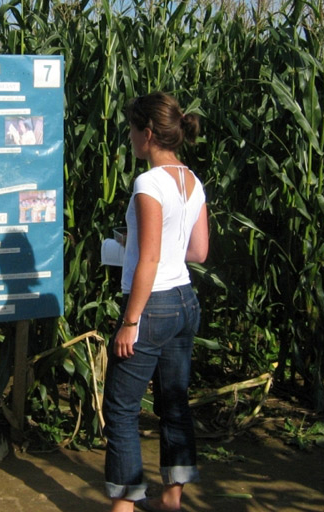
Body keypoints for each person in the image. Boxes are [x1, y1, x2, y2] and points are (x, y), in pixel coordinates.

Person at [103, 92, 209, 512]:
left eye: (132, 129)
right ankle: (172, 502)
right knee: (175, 404)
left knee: (122, 410)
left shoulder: (148, 183)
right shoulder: (192, 180)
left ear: (147, 134)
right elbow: (198, 250)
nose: (129, 136)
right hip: (185, 302)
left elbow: (149, 259)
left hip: (154, 306)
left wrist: (131, 322)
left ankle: (124, 507)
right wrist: (140, 247)